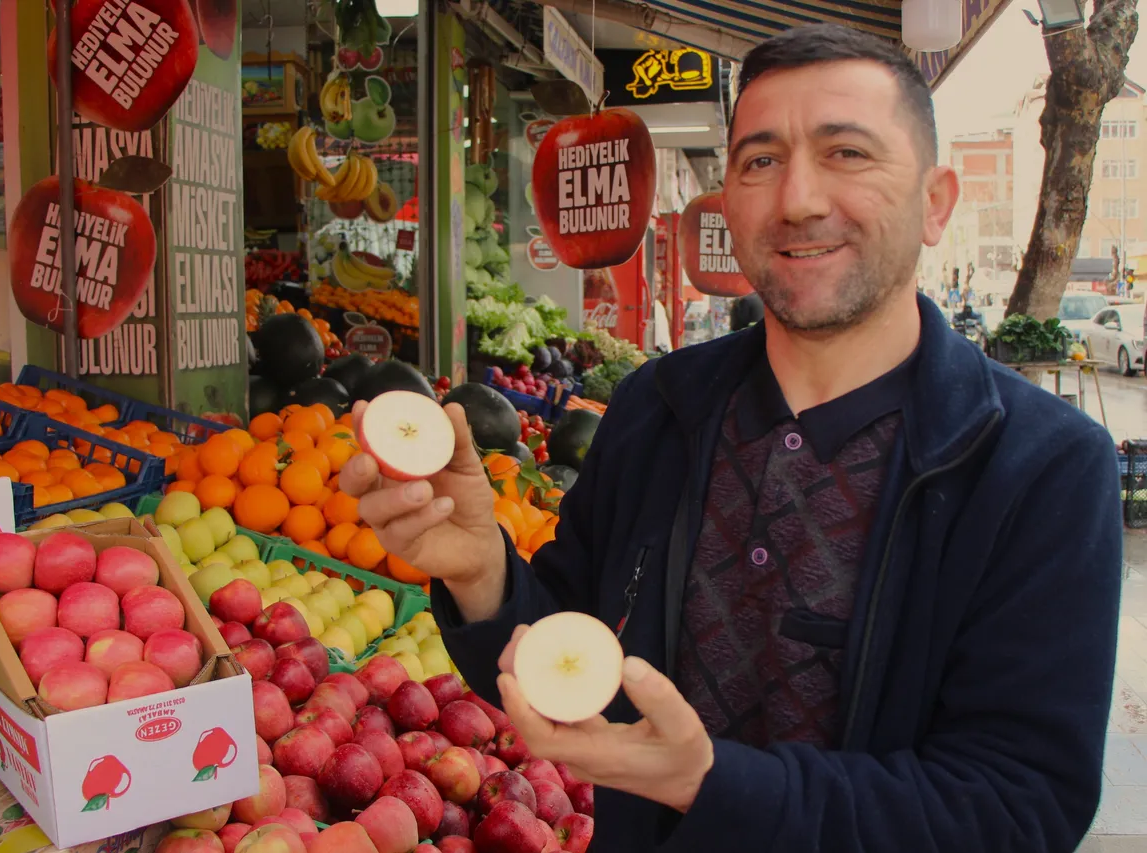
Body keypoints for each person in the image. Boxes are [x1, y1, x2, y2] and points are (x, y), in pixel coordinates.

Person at [341, 23, 1122, 853]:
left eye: (847, 153)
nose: (798, 199)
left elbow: (1016, 807)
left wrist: (712, 783)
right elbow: (564, 663)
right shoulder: (658, 408)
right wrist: (481, 573)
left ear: (936, 203)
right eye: (760, 160)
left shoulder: (1040, 467)